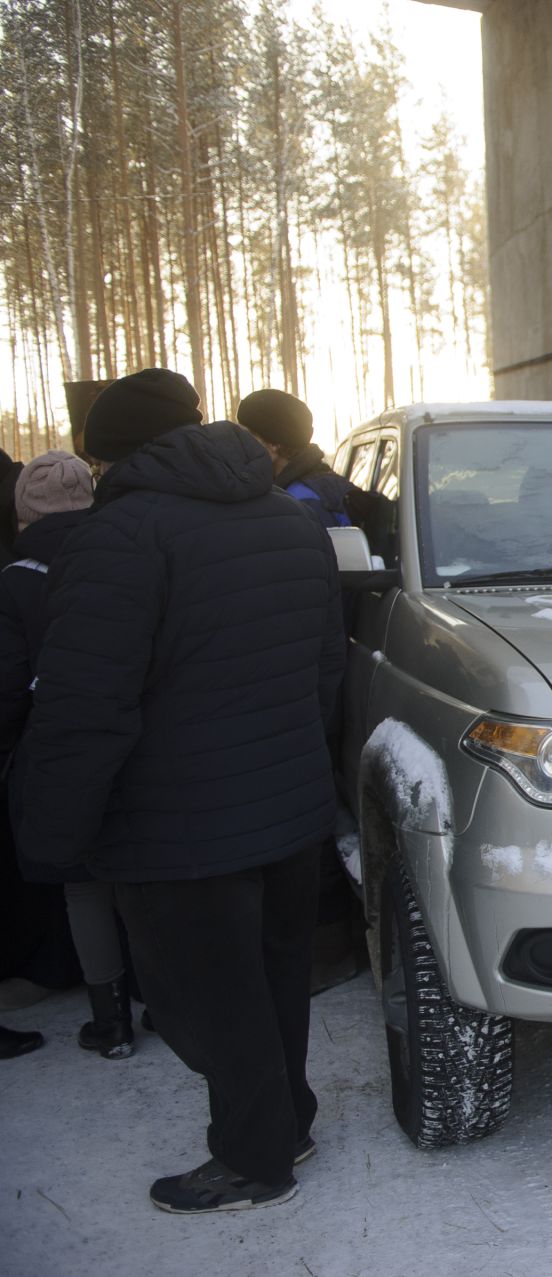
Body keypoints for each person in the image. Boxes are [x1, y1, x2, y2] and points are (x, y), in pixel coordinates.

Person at [10, 368, 344, 1213]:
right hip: (285, 802)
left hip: (177, 826)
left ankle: (252, 1159)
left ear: (109, 455)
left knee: (204, 1004)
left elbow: (86, 704)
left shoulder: (116, 538)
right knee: (271, 982)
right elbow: (324, 669)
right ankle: (286, 1119)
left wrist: (45, 832)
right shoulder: (288, 516)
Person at [0, 452, 136, 1060]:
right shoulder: (126, 556)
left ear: (23, 510)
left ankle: (110, 1023)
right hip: (135, 738)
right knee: (142, 871)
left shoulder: (13, 579)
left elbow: (8, 686)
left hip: (52, 746)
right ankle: (161, 1000)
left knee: (82, 886)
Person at [237, 388, 356, 530]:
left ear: (274, 443)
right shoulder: (298, 489)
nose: (241, 443)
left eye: (246, 435)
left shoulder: (304, 500)